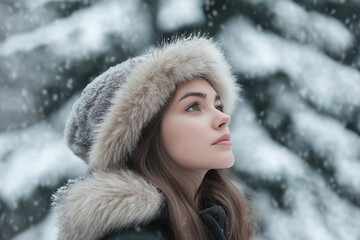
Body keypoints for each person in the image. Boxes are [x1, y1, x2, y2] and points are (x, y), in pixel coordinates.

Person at [52, 35, 256, 240]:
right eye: (193, 106)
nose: (223, 118)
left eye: (218, 106)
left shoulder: (213, 218)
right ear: (143, 135)